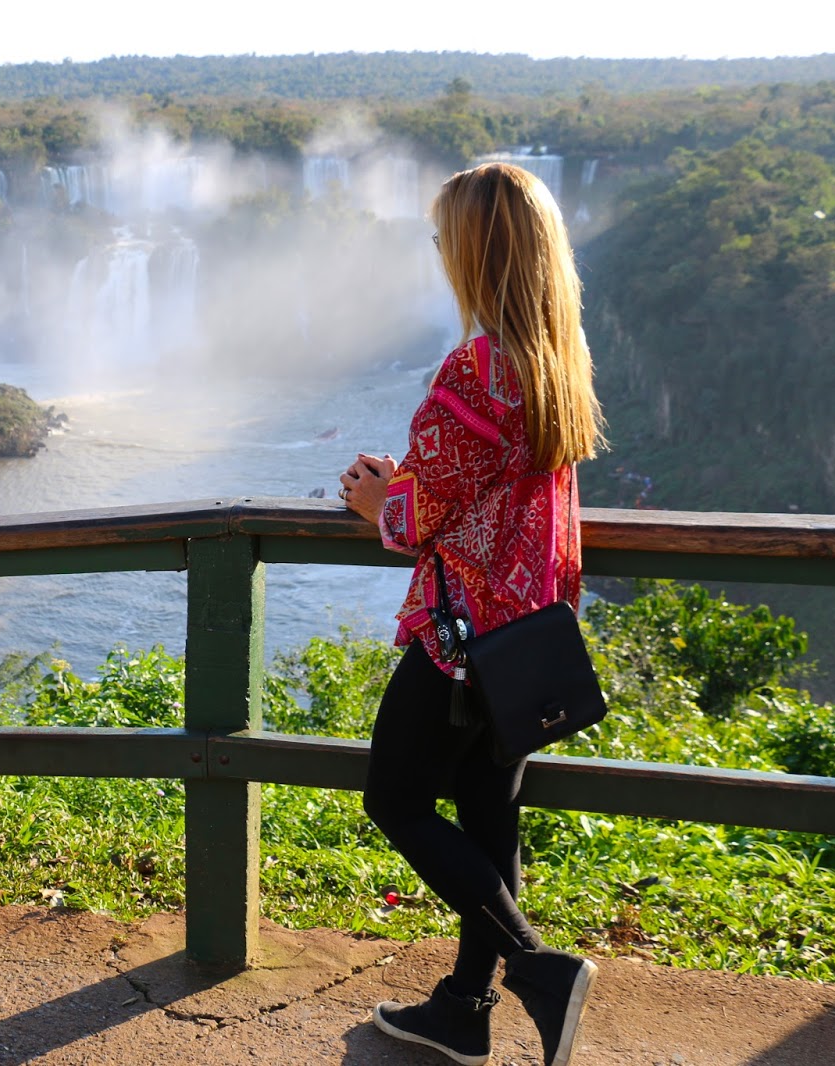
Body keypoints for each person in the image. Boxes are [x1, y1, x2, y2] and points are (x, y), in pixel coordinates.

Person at [337, 162, 606, 1066]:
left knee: (397, 799)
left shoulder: (477, 366)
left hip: (461, 642)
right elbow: (506, 496)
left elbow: (425, 517)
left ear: (477, 251)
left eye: (446, 235)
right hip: (529, 637)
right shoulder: (555, 360)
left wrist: (382, 501)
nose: (440, 250)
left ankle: (538, 969)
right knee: (489, 816)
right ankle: (465, 1007)